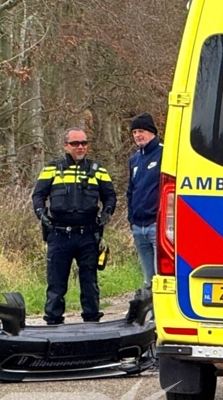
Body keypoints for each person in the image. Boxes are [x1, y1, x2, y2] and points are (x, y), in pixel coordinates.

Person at [31, 128, 116, 325]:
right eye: (75, 143)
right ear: (65, 146)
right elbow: (38, 195)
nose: (80, 147)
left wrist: (107, 213)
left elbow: (110, 195)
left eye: (84, 143)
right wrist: (41, 214)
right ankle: (53, 322)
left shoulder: (98, 169)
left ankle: (92, 321)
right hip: (59, 234)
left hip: (88, 234)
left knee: (90, 282)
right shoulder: (52, 168)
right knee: (56, 284)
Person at [126, 113, 162, 287]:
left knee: (161, 277)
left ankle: (162, 313)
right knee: (148, 281)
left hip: (157, 226)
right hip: (139, 227)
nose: (137, 135)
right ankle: (152, 310)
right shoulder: (134, 160)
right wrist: (131, 220)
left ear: (151, 132)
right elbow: (130, 191)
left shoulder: (165, 154)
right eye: (134, 132)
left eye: (141, 131)